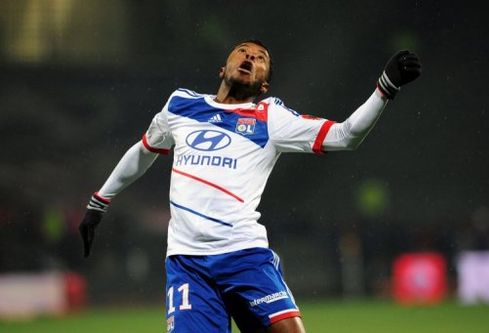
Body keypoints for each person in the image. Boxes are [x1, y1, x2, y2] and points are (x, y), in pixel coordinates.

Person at [79, 40, 421, 333]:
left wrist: (385, 87)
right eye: (242, 52)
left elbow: (345, 136)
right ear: (222, 68)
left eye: (260, 59)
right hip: (188, 264)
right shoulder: (180, 105)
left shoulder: (270, 118)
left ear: (264, 86)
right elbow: (143, 152)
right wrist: (99, 202)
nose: (249, 58)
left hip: (245, 257)